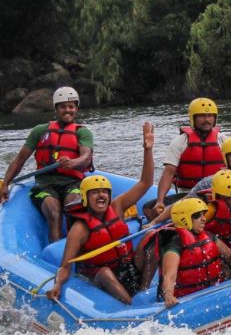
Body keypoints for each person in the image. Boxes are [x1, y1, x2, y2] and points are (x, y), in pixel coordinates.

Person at [46, 122, 157, 305]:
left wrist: (148, 150)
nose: (101, 196)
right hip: (102, 279)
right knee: (105, 272)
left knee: (152, 238)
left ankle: (144, 292)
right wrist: (57, 285)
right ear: (84, 197)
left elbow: (145, 182)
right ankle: (130, 307)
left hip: (128, 268)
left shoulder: (117, 207)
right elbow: (65, 266)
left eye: (104, 192)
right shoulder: (80, 229)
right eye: (95, 192)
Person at [0, 86, 94, 242]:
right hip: (45, 185)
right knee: (53, 212)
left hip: (73, 183)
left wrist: (72, 162)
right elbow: (19, 160)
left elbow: (86, 157)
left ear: (76, 109)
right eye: (63, 107)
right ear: (56, 109)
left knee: (74, 206)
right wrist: (5, 183)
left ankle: (76, 249)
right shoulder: (40, 131)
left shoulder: (82, 132)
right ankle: (56, 253)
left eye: (71, 106)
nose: (67, 110)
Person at [158, 197, 231, 307]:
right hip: (187, 298)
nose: (203, 219)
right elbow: (169, 275)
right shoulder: (174, 243)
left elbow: (230, 256)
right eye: (198, 216)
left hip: (213, 289)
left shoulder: (208, 236)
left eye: (203, 215)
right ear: (184, 218)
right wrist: (169, 296)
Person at [149, 97, 225, 216]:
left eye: (210, 116)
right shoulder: (179, 142)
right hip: (187, 195)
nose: (207, 120)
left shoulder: (224, 141)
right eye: (202, 116)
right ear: (193, 118)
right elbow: (168, 174)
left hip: (216, 195)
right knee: (148, 208)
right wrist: (160, 201)